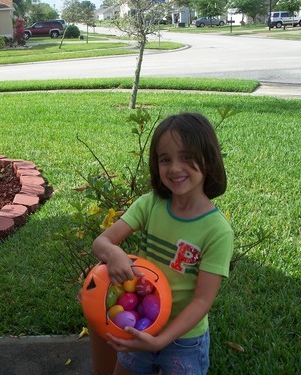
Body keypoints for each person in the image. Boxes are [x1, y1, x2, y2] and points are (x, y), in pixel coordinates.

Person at [90, 112, 233, 374]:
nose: (175, 168)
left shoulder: (217, 230)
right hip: (141, 321)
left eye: (187, 157)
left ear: (209, 161)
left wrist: (161, 340)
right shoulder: (150, 205)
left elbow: (202, 301)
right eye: (165, 159)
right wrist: (113, 252)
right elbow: (101, 242)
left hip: (184, 340)